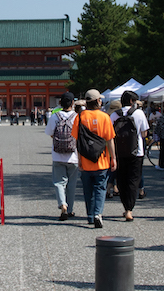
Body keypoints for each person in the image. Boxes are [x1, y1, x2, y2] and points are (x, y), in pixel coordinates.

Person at [74, 89, 116, 228]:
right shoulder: (105, 117)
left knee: (87, 190)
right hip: (101, 159)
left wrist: (79, 159)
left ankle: (90, 216)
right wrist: (113, 158)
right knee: (100, 188)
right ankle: (98, 213)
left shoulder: (80, 117)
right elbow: (109, 140)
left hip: (85, 160)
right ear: (98, 101)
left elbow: (77, 141)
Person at [111, 90, 149, 222]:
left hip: (119, 151)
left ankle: (125, 204)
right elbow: (144, 133)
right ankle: (129, 209)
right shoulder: (139, 114)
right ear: (132, 101)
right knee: (134, 180)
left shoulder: (115, 115)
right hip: (136, 152)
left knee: (121, 180)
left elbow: (110, 134)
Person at [46, 92, 80, 220]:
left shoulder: (55, 117)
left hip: (58, 155)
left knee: (59, 182)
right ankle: (70, 209)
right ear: (72, 103)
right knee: (72, 184)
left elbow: (50, 133)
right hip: (73, 155)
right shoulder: (77, 117)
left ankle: (62, 205)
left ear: (60, 103)